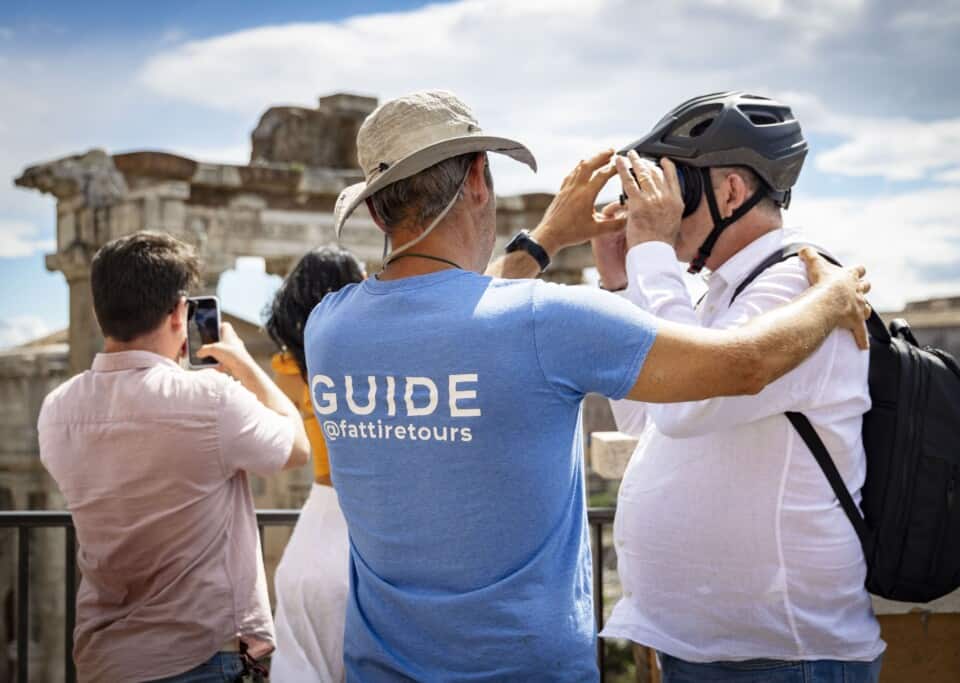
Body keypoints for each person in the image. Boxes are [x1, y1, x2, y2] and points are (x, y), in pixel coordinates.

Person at [305, 89, 872, 681]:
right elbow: (743, 365)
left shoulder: (329, 326)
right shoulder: (545, 322)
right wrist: (831, 298)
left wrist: (548, 240)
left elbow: (455, 321)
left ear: (375, 212)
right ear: (479, 178)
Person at [595, 92, 885, 682]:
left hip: (781, 656)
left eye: (670, 186)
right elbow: (644, 419)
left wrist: (651, 250)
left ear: (729, 191)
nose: (657, 204)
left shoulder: (797, 286)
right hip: (709, 650)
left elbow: (684, 404)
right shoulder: (721, 294)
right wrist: (623, 282)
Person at [37, 231, 310, 683]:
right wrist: (242, 363)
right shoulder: (210, 400)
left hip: (104, 659)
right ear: (180, 313)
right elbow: (296, 447)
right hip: (200, 656)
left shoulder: (57, 410)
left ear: (98, 310)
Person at [264, 245, 365, 682]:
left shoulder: (292, 368)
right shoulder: (381, 364)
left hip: (320, 524)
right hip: (376, 524)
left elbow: (277, 402)